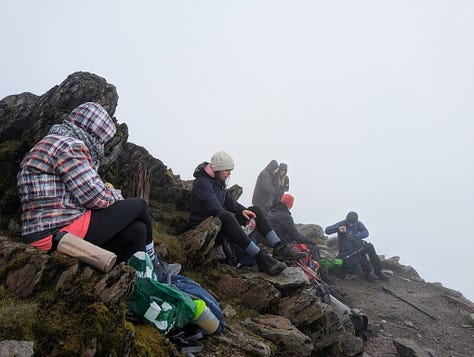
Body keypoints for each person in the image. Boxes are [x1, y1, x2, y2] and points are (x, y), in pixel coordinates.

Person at [17, 102, 178, 276]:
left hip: (50, 231)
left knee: (137, 230)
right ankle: (155, 264)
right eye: (103, 139)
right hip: (56, 233)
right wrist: (116, 194)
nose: (102, 145)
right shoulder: (68, 146)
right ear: (95, 131)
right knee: (139, 206)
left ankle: (143, 278)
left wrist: (107, 192)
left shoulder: (53, 142)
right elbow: (95, 197)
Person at [188, 151, 303, 275]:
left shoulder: (218, 182)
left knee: (255, 210)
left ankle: (279, 247)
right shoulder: (202, 183)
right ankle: (260, 258)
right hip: (205, 228)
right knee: (226, 216)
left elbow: (231, 202)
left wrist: (243, 211)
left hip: (219, 224)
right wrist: (236, 222)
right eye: (226, 170)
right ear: (217, 169)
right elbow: (216, 208)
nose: (229, 173)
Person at [266, 194, 335, 284]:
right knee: (313, 248)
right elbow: (296, 236)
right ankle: (323, 275)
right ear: (290, 205)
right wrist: (311, 242)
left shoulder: (272, 212)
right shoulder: (285, 215)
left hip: (270, 241)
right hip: (280, 244)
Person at [324, 211, 389, 282]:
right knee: (359, 254)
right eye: (349, 223)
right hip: (347, 248)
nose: (351, 225)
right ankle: (368, 273)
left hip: (357, 244)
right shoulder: (342, 224)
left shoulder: (358, 224)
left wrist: (355, 237)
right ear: (346, 220)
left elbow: (366, 233)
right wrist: (338, 228)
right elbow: (327, 230)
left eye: (353, 223)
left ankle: (378, 271)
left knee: (370, 247)